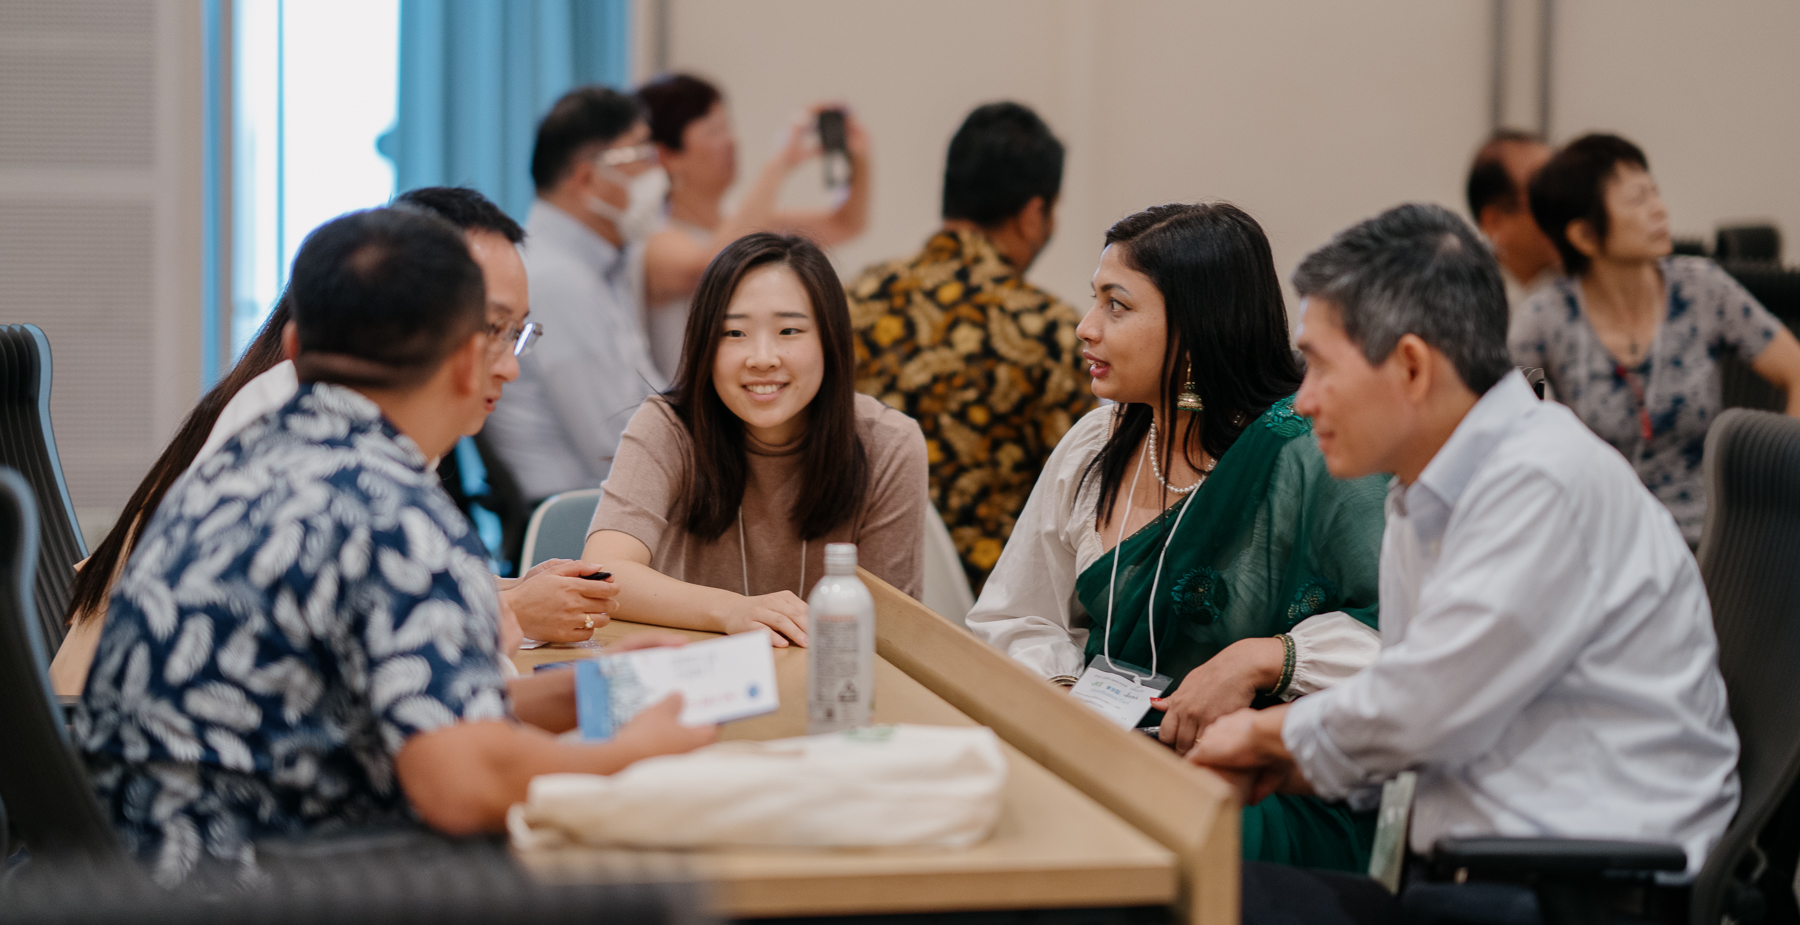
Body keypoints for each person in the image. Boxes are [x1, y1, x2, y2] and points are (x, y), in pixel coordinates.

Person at [74, 208, 715, 888]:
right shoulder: (399, 513)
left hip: (130, 877)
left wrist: (586, 695)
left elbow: (389, 707)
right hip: (258, 891)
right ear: (470, 360)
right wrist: (632, 751)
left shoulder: (232, 468)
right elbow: (460, 783)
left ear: (293, 347)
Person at [1191, 203, 1740, 925]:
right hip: (1499, 871)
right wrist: (1293, 759)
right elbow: (1422, 701)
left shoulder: (1541, 480)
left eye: (1320, 365)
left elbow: (1425, 705)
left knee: (1175, 903)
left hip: (1579, 893)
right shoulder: (1429, 488)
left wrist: (1266, 734)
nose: (1304, 397)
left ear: (1412, 366)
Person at [48, 188, 613, 698]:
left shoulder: (341, 415)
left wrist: (506, 593)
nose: (506, 365)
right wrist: (509, 611)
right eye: (490, 328)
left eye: (516, 333)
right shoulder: (307, 434)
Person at [966, 203, 1389, 873]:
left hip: (1255, 788)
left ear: (1192, 332)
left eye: (1117, 306)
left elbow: (1403, 645)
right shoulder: (1097, 443)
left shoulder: (1303, 452)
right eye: (1093, 301)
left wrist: (1263, 657)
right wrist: (1066, 692)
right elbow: (1012, 613)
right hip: (1108, 756)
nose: (1086, 328)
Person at [584, 233, 927, 647]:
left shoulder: (889, 445)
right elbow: (604, 571)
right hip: (693, 683)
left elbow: (889, 633)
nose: (762, 357)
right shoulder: (669, 427)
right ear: (704, 344)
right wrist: (733, 610)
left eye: (789, 330)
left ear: (829, 341)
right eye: (734, 333)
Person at [848, 102, 1095, 592]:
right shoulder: (1050, 331)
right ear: (1034, 213)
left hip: (854, 585)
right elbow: (1081, 504)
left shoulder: (857, 298)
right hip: (993, 619)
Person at [1512, 133, 1800, 547]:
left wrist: (1779, 486)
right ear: (1584, 236)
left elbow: (1795, 370)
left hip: (1714, 541)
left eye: (1655, 194)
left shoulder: (1702, 290)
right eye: (1637, 201)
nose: (1659, 210)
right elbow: (1524, 421)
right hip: (1603, 542)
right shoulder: (1543, 324)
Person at [484, 86, 667, 504]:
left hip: (606, 500)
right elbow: (613, 441)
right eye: (641, 155)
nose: (658, 173)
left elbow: (651, 402)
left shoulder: (597, 264)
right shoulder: (555, 279)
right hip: (577, 517)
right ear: (587, 177)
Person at [638, 73, 872, 380]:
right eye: (714, 131)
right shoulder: (655, 240)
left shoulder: (748, 222)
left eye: (728, 126)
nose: (731, 140)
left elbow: (845, 224)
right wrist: (780, 164)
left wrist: (860, 158)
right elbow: (713, 266)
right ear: (668, 156)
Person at [1464, 129, 1561, 313]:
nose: (1563, 205)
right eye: (1543, 191)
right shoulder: (1460, 300)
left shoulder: (1592, 286)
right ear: (1495, 222)